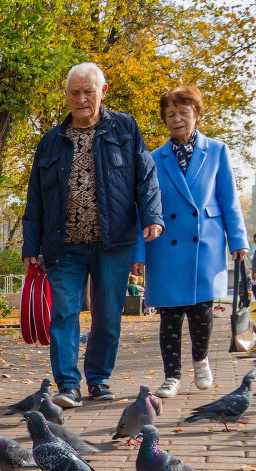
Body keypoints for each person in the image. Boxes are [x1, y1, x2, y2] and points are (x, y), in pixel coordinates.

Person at [21, 62, 163, 408]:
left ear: (104, 90)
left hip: (113, 241)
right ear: (66, 95)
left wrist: (152, 216)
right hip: (62, 244)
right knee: (64, 314)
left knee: (108, 314)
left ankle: (98, 379)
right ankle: (68, 385)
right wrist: (30, 242)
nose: (82, 98)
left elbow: (146, 176)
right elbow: (35, 197)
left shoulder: (125, 128)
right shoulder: (51, 142)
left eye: (88, 91)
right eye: (75, 92)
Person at [141, 86, 248, 399]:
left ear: (197, 115)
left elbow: (229, 200)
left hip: (205, 244)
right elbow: (143, 208)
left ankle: (200, 360)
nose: (177, 120)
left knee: (202, 311)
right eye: (170, 114)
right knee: (170, 316)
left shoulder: (216, 150)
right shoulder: (153, 158)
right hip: (165, 245)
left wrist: (238, 240)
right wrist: (139, 252)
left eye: (183, 113)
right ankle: (171, 376)